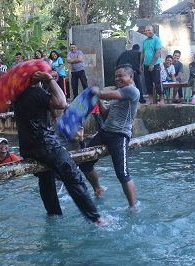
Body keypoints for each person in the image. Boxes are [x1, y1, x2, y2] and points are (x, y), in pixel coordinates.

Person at [13, 70, 105, 225]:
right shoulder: (35, 92)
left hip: (28, 147)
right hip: (45, 145)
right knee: (73, 175)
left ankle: (53, 214)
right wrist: (49, 79)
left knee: (46, 178)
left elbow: (54, 110)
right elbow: (61, 103)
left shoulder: (19, 95)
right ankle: (96, 219)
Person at [79, 64, 140, 209]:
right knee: (85, 164)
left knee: (122, 174)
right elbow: (106, 115)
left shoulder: (132, 90)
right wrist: (98, 99)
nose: (118, 78)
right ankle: (97, 188)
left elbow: (104, 94)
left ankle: (133, 207)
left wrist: (97, 92)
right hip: (105, 132)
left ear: (130, 77)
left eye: (121, 75)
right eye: (116, 76)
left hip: (120, 135)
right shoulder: (119, 93)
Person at [141, 25, 164, 105]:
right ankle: (150, 99)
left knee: (157, 82)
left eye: (149, 30)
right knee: (148, 83)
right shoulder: (145, 41)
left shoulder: (157, 40)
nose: (148, 32)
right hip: (146, 65)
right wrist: (141, 64)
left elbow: (157, 53)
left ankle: (161, 99)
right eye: (146, 30)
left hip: (155, 64)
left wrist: (152, 64)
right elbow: (143, 53)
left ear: (152, 30)